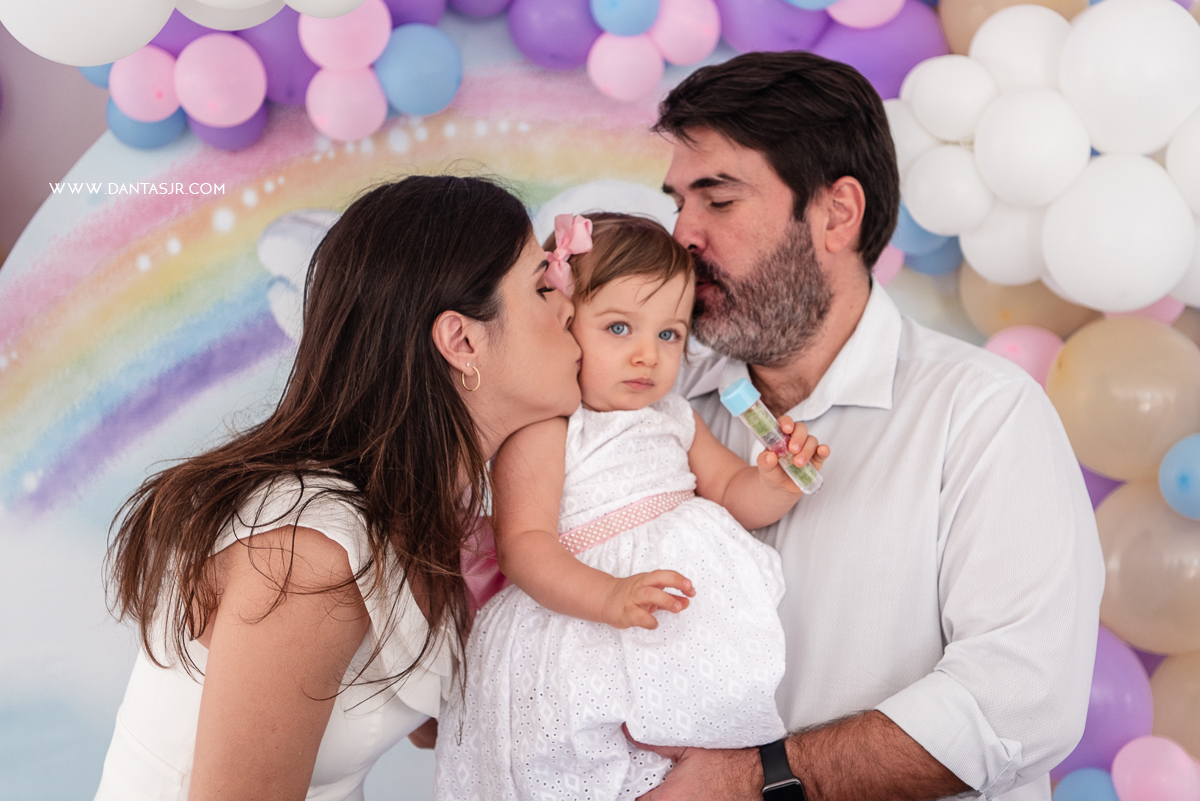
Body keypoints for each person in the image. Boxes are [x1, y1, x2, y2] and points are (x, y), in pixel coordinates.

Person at [640, 52, 1105, 801]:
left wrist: (755, 781)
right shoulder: (652, 413)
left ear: (836, 213)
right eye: (678, 203)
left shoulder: (983, 415)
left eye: (717, 201)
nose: (682, 234)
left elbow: (1019, 698)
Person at [94, 175, 583, 801]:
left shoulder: (438, 520)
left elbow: (449, 726)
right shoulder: (305, 555)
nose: (570, 305)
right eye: (543, 287)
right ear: (462, 341)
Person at [433, 213, 829, 801]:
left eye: (668, 335)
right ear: (563, 324)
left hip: (670, 616)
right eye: (619, 328)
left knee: (689, 755)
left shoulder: (674, 416)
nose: (647, 355)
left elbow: (732, 494)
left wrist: (779, 480)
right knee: (582, 759)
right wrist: (608, 596)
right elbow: (524, 546)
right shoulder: (546, 428)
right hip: (579, 609)